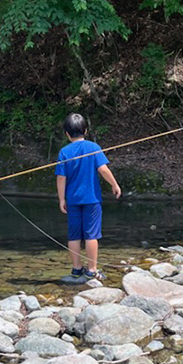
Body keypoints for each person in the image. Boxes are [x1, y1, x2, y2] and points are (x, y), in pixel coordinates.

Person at [56, 113, 121, 281]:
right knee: (92, 235)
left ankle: (77, 269)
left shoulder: (64, 152)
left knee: (74, 235)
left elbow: (61, 178)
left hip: (72, 200)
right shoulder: (93, 147)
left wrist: (62, 199)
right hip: (92, 199)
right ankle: (92, 269)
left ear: (67, 134)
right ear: (85, 130)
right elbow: (103, 169)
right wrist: (114, 184)